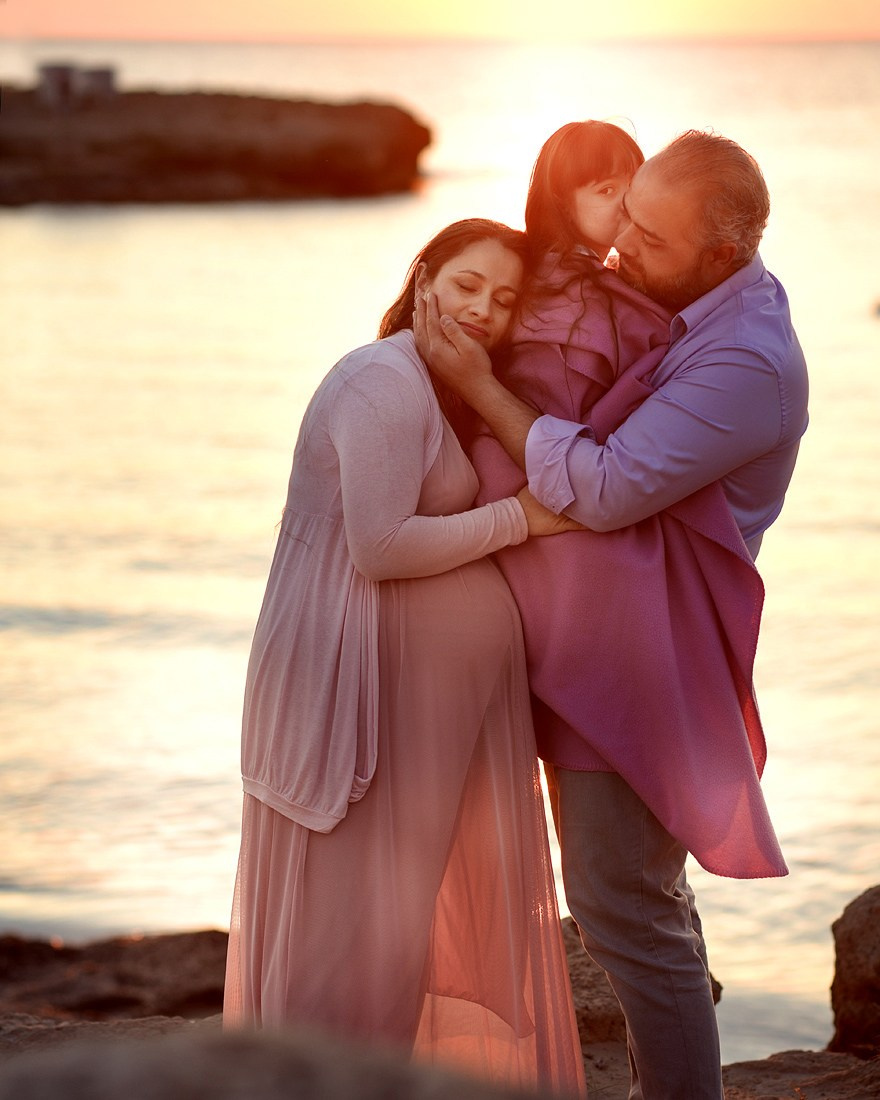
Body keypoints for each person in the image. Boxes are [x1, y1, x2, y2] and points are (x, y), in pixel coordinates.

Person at [416, 129, 809, 1099]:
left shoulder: (748, 360)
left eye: (652, 239)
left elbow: (598, 488)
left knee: (622, 900)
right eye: (625, 215)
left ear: (721, 255)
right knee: (631, 893)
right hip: (611, 634)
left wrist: (478, 386)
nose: (623, 247)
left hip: (649, 651)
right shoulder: (680, 294)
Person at [222, 218, 587, 1098]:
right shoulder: (381, 382)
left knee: (392, 926)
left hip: (408, 699)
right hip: (362, 689)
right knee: (350, 930)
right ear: (423, 275)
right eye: (467, 284)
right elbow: (380, 545)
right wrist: (523, 519)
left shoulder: (437, 381)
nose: (483, 311)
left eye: (503, 301)